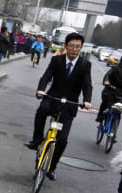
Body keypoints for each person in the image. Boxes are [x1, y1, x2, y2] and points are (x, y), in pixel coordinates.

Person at [24, 33, 92, 180]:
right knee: (41, 111)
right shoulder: (56, 60)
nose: (74, 49)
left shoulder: (85, 64)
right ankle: (37, 140)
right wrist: (41, 90)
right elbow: (46, 76)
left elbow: (87, 84)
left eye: (78, 47)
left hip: (69, 105)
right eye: (72, 46)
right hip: (53, 98)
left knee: (62, 139)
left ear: (81, 48)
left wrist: (87, 100)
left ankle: (52, 168)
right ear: (65, 46)